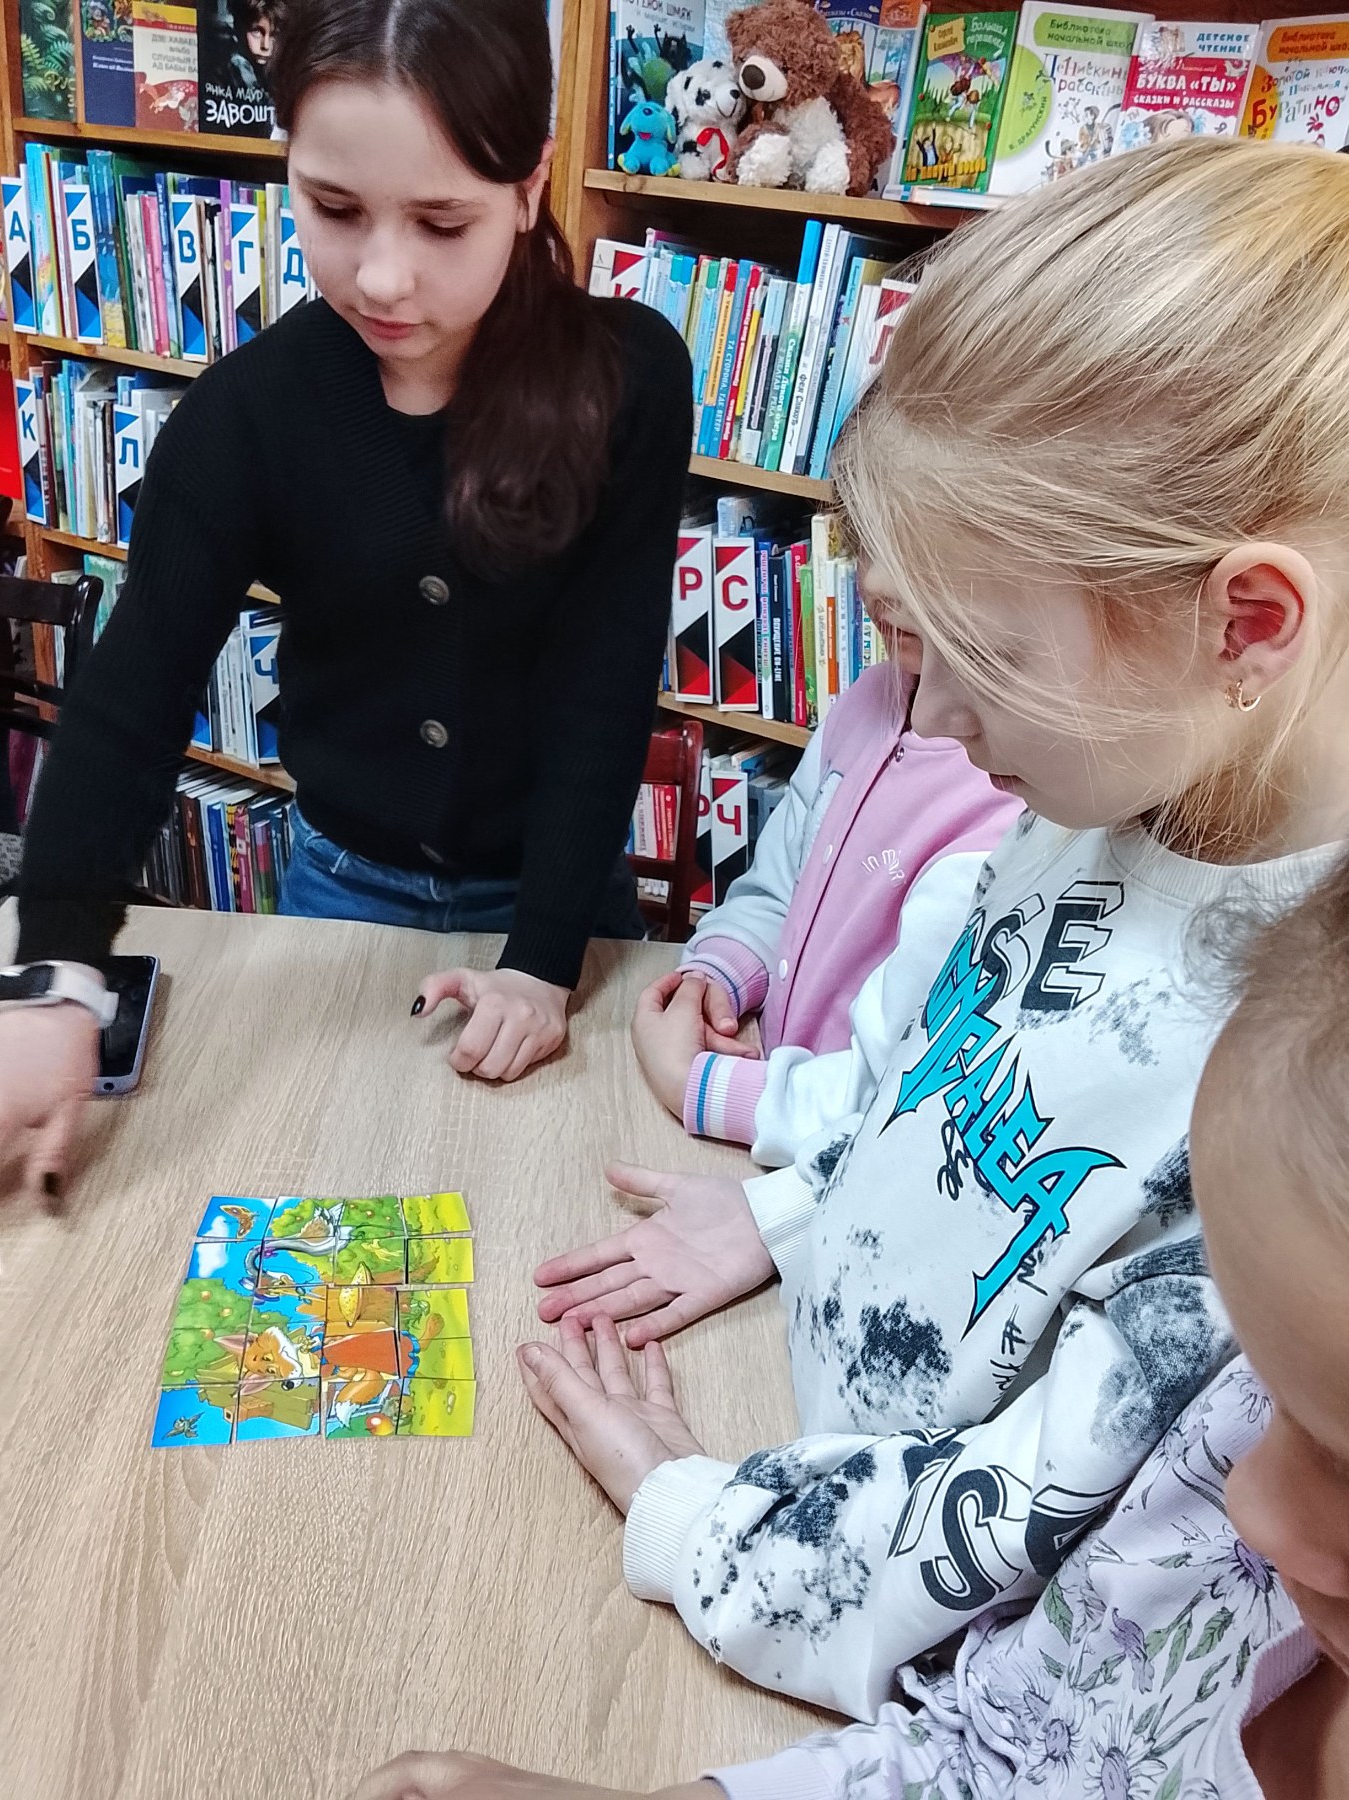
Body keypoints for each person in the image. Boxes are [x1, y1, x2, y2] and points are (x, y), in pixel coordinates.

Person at [521, 137, 1349, 1717]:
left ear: (1244, 623)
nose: (930, 720)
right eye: (909, 645)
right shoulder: (1106, 776)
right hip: (783, 1444)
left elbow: (1039, 1521)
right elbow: (934, 1071)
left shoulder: (1297, 1074)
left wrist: (690, 1509)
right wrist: (784, 1216)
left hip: (852, 1647)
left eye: (981, 653)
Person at [350, 847, 1349, 1796]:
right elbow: (1001, 1742)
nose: (1253, 1504)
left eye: (1343, 1463)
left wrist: (711, 1524)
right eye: (1273, 1406)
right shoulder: (1229, 1480)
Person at [0, 0, 694, 1196]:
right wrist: (57, 973)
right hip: (342, 888)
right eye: (332, 208)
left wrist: (539, 961)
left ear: (530, 185)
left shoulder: (627, 376)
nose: (381, 276)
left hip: (559, 900)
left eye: (441, 222)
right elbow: (133, 693)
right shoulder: (247, 416)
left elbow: (606, 677)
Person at [626, 657, 1020, 1149]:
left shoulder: (1014, 797)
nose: (879, 601)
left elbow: (906, 1086)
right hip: (764, 1098)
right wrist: (714, 978)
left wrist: (701, 1086)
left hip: (827, 1153)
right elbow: (779, 889)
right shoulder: (868, 696)